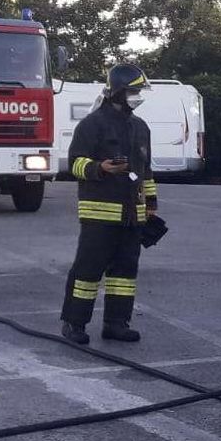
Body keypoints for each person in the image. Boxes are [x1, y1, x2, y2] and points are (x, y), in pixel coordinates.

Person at [60, 64, 158, 345]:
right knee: (88, 271)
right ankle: (74, 323)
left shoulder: (140, 127)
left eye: (139, 91)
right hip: (100, 214)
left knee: (125, 273)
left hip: (132, 215)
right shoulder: (92, 124)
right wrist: (100, 167)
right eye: (132, 91)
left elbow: (146, 171)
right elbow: (75, 164)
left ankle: (117, 323)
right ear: (117, 92)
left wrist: (151, 205)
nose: (137, 96)